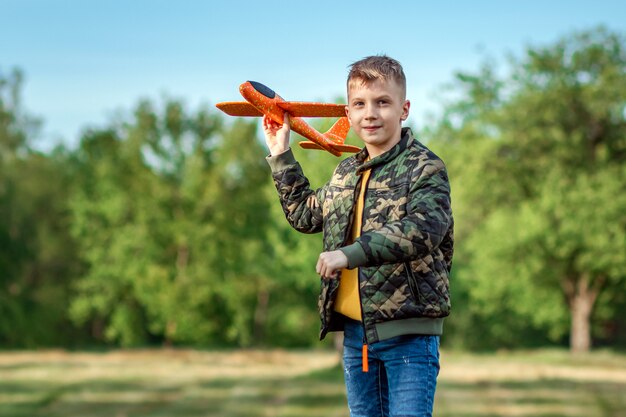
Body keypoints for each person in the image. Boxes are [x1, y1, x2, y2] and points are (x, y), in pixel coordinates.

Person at [263, 55, 453, 417]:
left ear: (404, 109)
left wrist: (349, 254)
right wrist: (281, 155)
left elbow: (423, 230)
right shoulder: (346, 171)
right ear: (348, 113)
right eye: (360, 104)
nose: (371, 114)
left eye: (383, 102)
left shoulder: (425, 167)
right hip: (357, 338)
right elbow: (306, 215)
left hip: (408, 337)